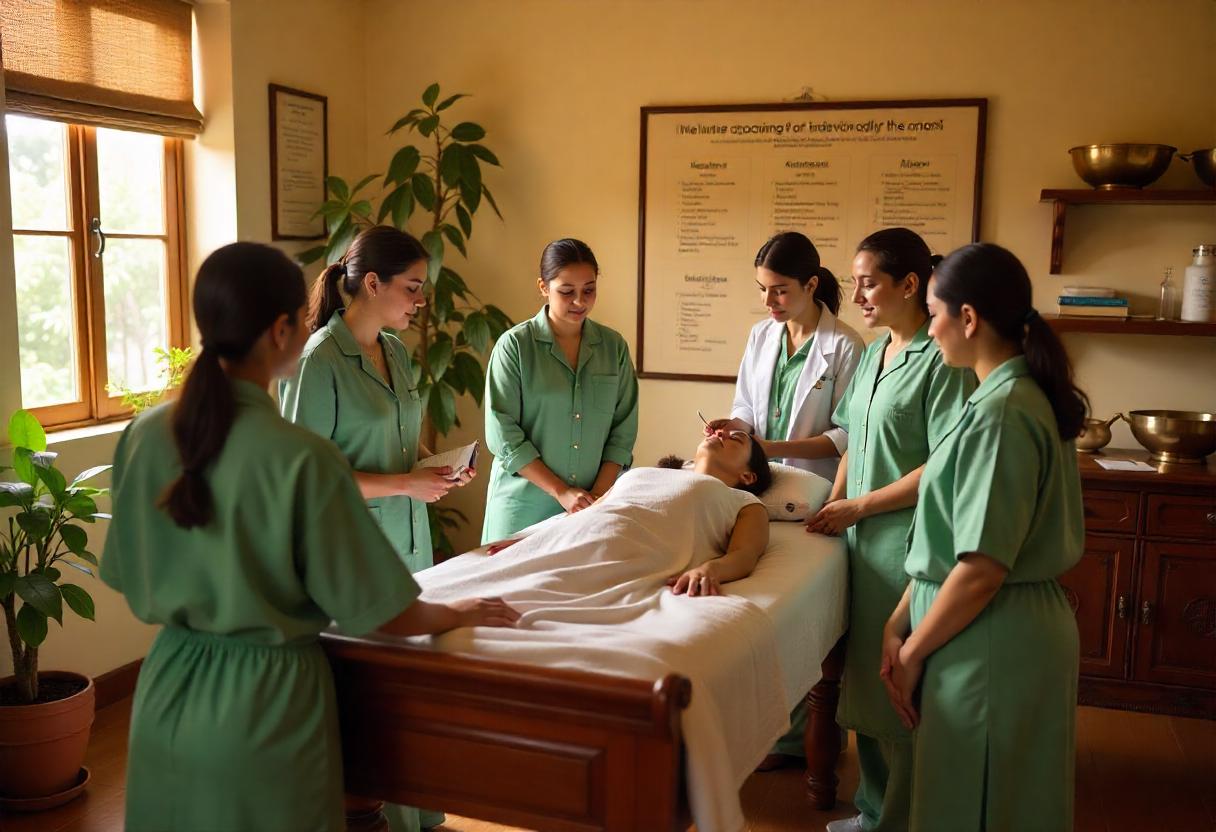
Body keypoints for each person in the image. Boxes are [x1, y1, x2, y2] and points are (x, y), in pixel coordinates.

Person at [100, 242, 517, 832]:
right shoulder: (301, 458)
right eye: (300, 318)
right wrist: (459, 611)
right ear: (280, 330)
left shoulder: (144, 437)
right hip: (267, 706)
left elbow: (125, 572)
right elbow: (385, 612)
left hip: (167, 692)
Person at [882, 242, 1086, 832]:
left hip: (992, 637)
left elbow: (981, 568)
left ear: (967, 317)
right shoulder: (995, 399)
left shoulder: (1003, 413)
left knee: (980, 808)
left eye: (933, 313)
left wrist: (912, 653)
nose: (930, 329)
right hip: (975, 629)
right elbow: (949, 542)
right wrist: (899, 620)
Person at [806, 228, 976, 831]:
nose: (856, 296)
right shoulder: (875, 355)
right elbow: (853, 438)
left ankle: (901, 819)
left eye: (868, 283)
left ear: (909, 285)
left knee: (900, 686)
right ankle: (873, 810)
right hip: (859, 544)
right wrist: (832, 505)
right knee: (866, 690)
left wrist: (860, 507)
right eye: (853, 283)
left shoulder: (942, 361)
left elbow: (943, 464)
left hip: (906, 544)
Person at [281, 226, 468, 583]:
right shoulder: (317, 361)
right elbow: (306, 478)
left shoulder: (394, 349)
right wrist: (406, 485)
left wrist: (441, 468)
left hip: (412, 546)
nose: (421, 301)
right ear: (372, 283)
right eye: (412, 288)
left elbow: (400, 437)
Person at [483, 427, 773, 598]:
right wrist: (536, 541)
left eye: (736, 438)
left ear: (748, 476)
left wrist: (711, 569)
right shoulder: (647, 473)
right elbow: (591, 512)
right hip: (580, 539)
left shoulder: (742, 501)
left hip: (629, 556)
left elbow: (745, 555)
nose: (720, 432)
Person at [481, 238, 639, 543]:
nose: (579, 301)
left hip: (590, 510)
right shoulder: (514, 347)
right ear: (543, 287)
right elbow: (503, 434)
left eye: (589, 290)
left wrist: (595, 498)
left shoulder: (614, 347)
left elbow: (623, 431)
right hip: (522, 509)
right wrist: (561, 491)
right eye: (567, 291)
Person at [708, 231, 863, 483]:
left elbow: (845, 435)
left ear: (810, 285)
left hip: (812, 483)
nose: (768, 301)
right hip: (758, 478)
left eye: (779, 291)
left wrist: (773, 448)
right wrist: (735, 427)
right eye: (762, 289)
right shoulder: (760, 334)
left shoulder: (846, 345)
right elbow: (746, 404)